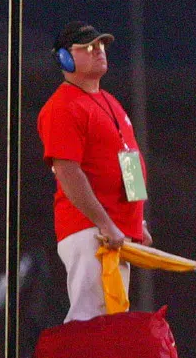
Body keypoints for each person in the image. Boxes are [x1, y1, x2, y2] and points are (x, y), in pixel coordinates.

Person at [34, 24, 151, 322]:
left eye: (100, 44)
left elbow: (129, 158)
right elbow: (67, 172)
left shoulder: (109, 102)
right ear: (64, 59)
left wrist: (137, 220)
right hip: (92, 231)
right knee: (90, 319)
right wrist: (106, 223)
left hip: (114, 233)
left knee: (108, 319)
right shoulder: (61, 107)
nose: (98, 50)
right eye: (86, 47)